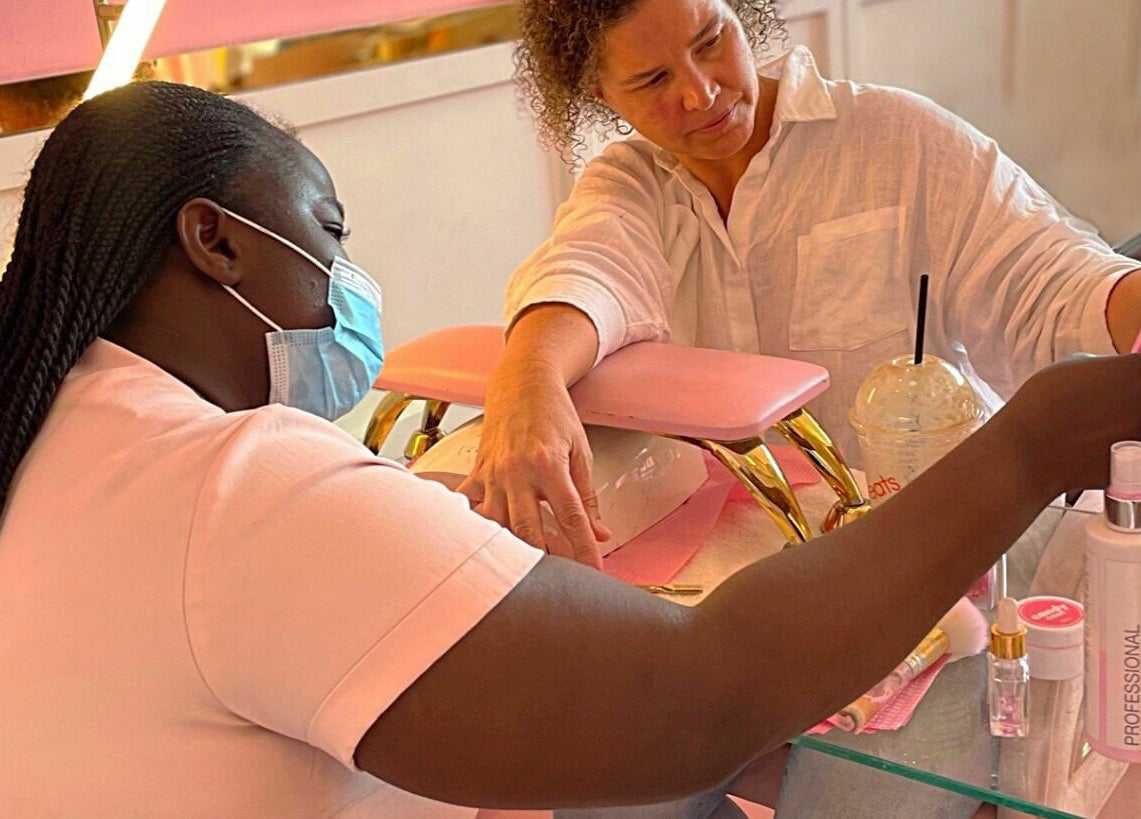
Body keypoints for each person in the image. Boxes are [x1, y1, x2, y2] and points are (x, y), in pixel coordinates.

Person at [1, 81, 1140, 819]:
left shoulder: (60, 431)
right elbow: (697, 696)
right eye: (330, 237)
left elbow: (1056, 272)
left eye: (709, 42)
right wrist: (1033, 443)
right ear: (216, 243)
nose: (350, 286)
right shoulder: (240, 492)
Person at [461, 0, 1141, 564]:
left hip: (941, 557)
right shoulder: (629, 186)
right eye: (653, 80)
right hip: (736, 587)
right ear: (601, 95)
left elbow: (1052, 285)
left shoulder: (900, 141)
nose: (700, 92)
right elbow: (588, 268)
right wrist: (528, 379)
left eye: (710, 40)